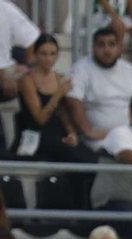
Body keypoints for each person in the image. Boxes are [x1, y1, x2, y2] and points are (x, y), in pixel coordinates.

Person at [16, 35, 96, 212]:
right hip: (37, 135)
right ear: (35, 55)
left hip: (59, 133)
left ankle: (83, 209)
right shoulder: (27, 80)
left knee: (92, 160)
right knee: (81, 161)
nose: (48, 59)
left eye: (52, 54)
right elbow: (40, 118)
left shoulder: (59, 78)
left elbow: (64, 114)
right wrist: (59, 94)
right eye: (43, 54)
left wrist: (71, 133)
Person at [65, 26, 132, 154]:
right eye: (101, 45)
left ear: (119, 48)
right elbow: (73, 101)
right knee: (125, 151)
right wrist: (88, 132)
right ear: (93, 48)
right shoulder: (82, 68)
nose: (106, 50)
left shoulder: (130, 70)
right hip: (100, 138)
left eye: (111, 45)